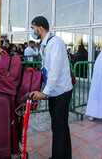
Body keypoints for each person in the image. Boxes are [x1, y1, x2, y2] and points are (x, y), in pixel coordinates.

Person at [29, 16, 72, 159]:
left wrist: (45, 93)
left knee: (59, 127)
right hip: (55, 90)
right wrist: (41, 87)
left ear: (40, 28)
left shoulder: (56, 43)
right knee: (60, 125)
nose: (33, 31)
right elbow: (45, 69)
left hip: (61, 91)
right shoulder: (45, 44)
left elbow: (55, 70)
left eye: (33, 28)